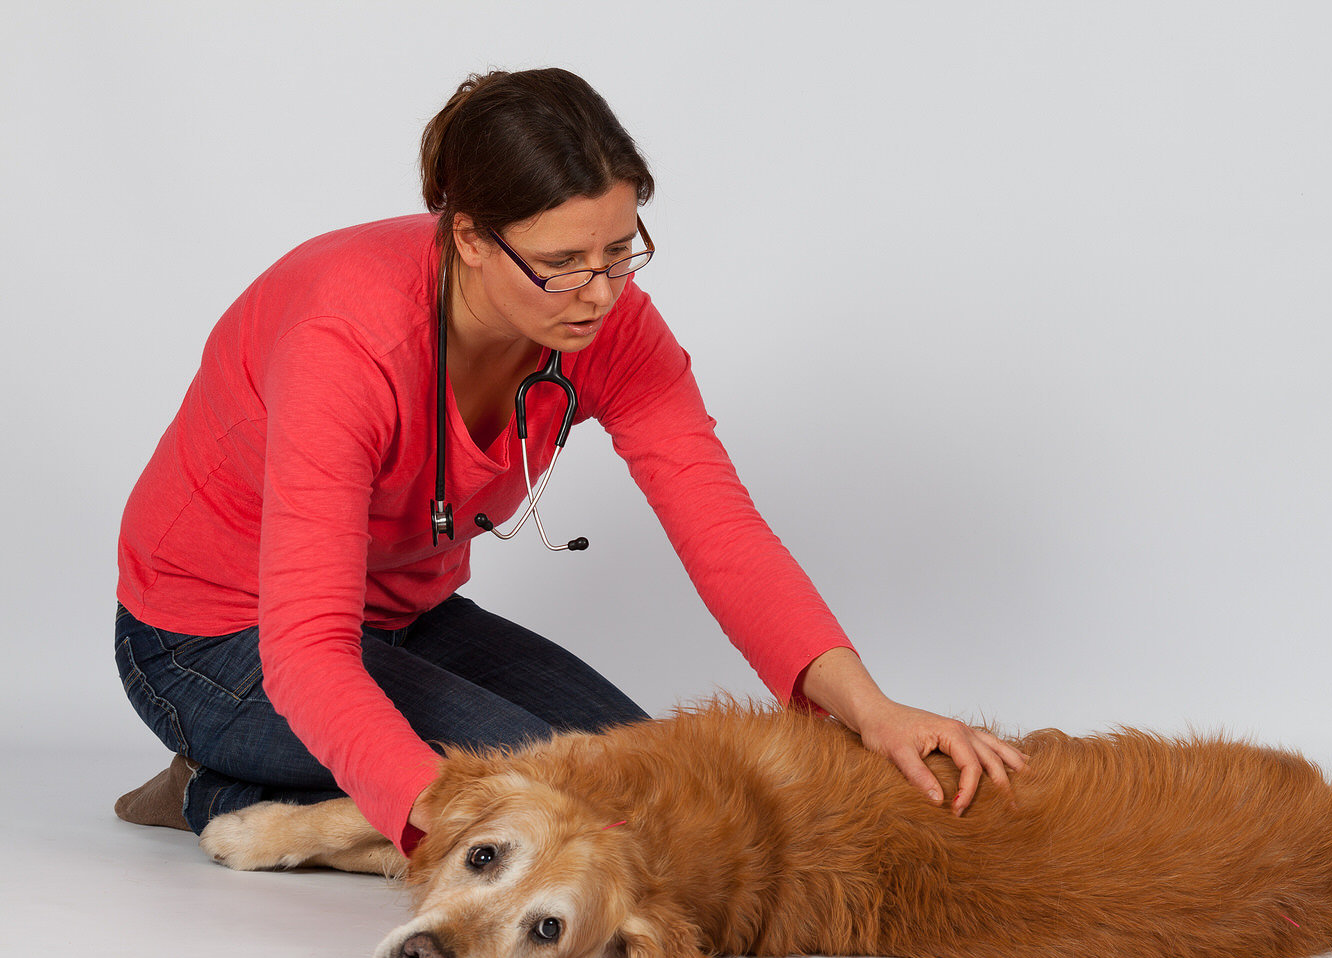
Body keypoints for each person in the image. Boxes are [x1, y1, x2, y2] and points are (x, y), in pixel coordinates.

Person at [113, 68, 1024, 855]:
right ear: (468, 237)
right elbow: (307, 653)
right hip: (212, 643)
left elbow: (722, 530)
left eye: (620, 251)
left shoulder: (610, 321)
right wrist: (459, 815)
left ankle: (329, 794)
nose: (599, 295)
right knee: (565, 804)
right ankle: (220, 792)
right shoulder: (344, 338)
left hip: (398, 615)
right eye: (562, 263)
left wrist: (872, 708)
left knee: (649, 774)